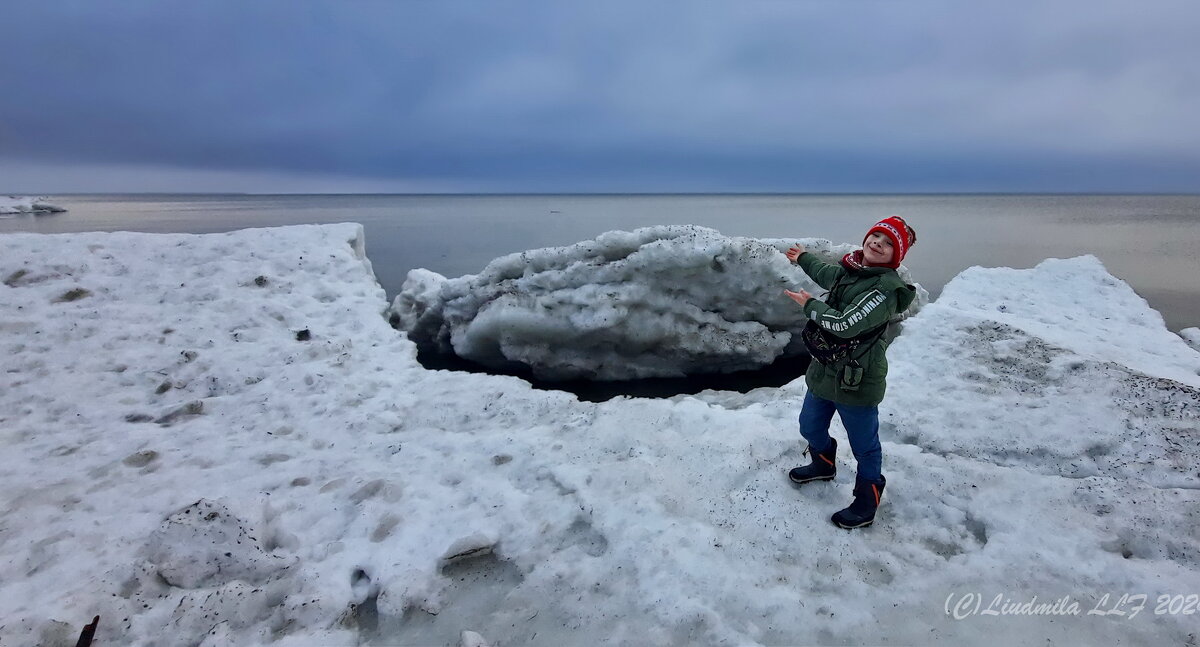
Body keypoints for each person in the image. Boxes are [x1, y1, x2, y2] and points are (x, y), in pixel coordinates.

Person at [782, 216, 918, 529]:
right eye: (875, 236)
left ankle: (867, 500)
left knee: (864, 446)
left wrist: (810, 306)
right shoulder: (853, 269)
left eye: (887, 244)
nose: (877, 244)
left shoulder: (884, 289)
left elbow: (846, 325)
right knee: (809, 425)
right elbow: (827, 273)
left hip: (857, 379)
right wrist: (803, 257)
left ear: (895, 256)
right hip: (826, 367)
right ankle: (823, 463)